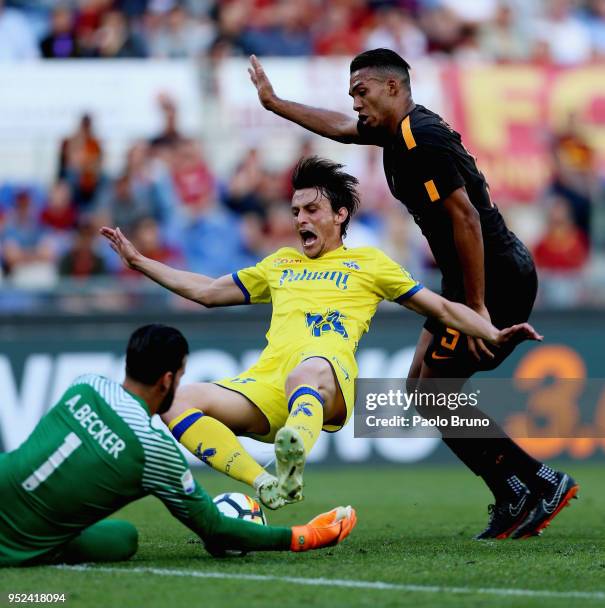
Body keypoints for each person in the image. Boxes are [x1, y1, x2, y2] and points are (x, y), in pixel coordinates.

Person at [247, 49, 579, 540]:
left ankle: (532, 484)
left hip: (491, 276)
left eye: (363, 92)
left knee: (434, 393)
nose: (356, 104)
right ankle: (522, 488)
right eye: (352, 94)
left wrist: (477, 306)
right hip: (467, 278)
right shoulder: (397, 131)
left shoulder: (418, 139)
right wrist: (273, 103)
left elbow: (465, 217)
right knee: (422, 392)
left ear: (393, 88)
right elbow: (341, 127)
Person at [101, 157, 541, 516]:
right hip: (266, 385)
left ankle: (295, 449)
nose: (300, 220)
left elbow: (442, 307)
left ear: (340, 214)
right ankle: (269, 480)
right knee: (176, 400)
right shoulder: (280, 263)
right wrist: (140, 262)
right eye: (295, 212)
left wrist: (492, 331)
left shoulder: (370, 263)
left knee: (306, 371)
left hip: (324, 380)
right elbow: (206, 291)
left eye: (311, 210)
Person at [0, 324, 357, 567]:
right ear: (168, 379)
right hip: (22, 544)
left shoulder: (85, 385)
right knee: (124, 538)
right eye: (182, 375)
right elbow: (217, 530)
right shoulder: (155, 451)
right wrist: (304, 535)